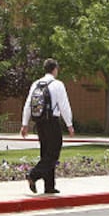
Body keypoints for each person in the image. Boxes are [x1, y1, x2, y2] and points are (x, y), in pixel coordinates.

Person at [20, 58, 74, 194]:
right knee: (54, 153)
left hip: (39, 122)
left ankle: (49, 186)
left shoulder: (36, 84)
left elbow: (28, 104)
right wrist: (69, 124)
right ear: (55, 69)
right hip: (52, 121)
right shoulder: (58, 84)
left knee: (46, 153)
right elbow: (64, 106)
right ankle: (33, 175)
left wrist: (24, 124)